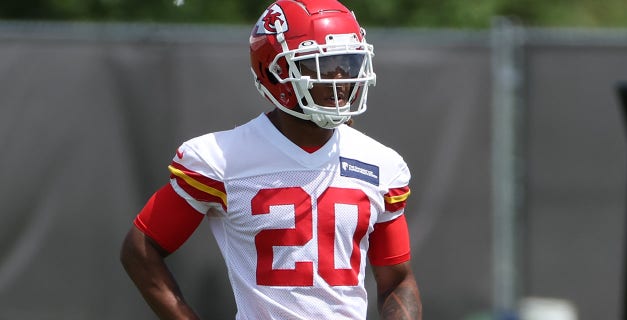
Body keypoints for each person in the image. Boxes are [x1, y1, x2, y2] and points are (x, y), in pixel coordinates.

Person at [119, 0, 423, 319]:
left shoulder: (381, 163)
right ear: (275, 71)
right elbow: (141, 250)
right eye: (321, 64)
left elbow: (397, 280)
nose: (340, 77)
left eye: (347, 62)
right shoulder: (220, 159)